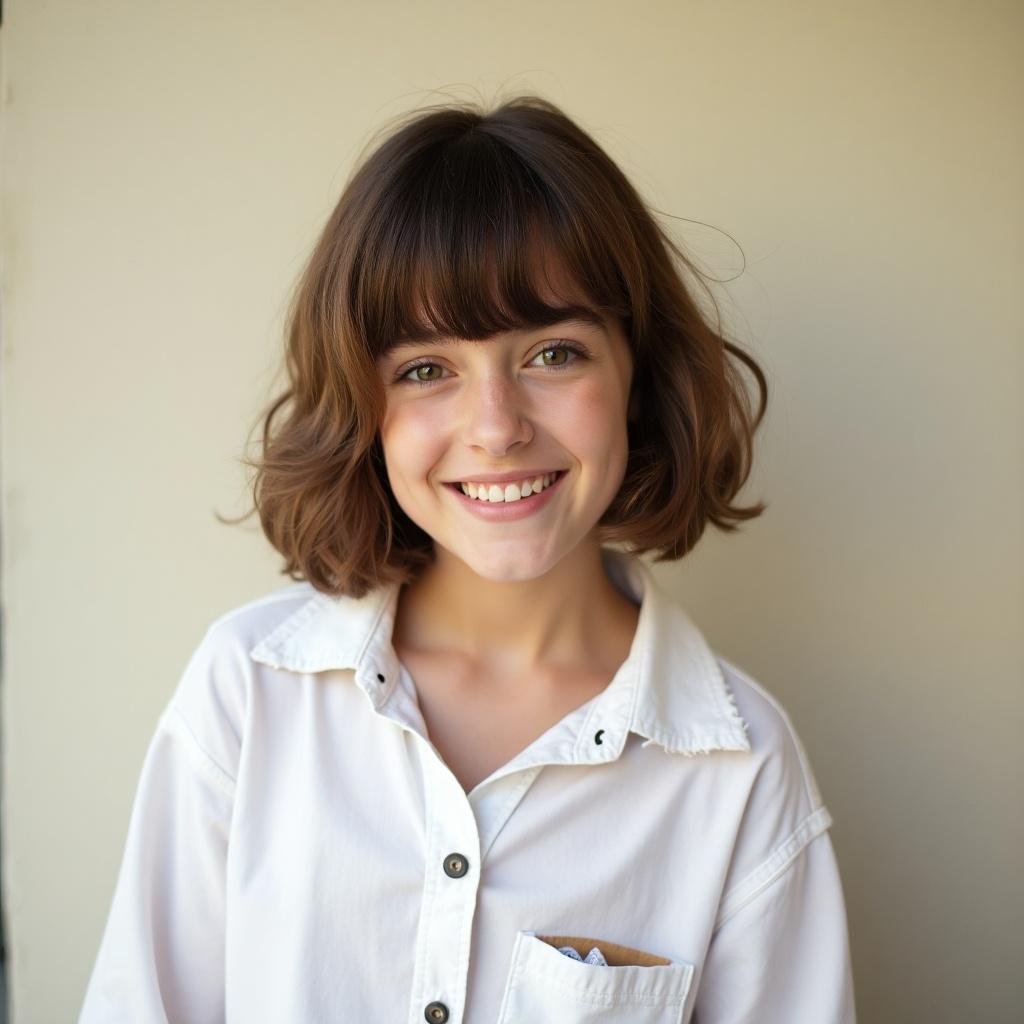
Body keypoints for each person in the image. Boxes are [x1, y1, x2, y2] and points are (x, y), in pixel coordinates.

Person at [79, 94, 856, 1023]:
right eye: (425, 369)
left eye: (555, 353)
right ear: (362, 407)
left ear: (638, 379)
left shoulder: (743, 770)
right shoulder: (247, 696)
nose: (497, 428)